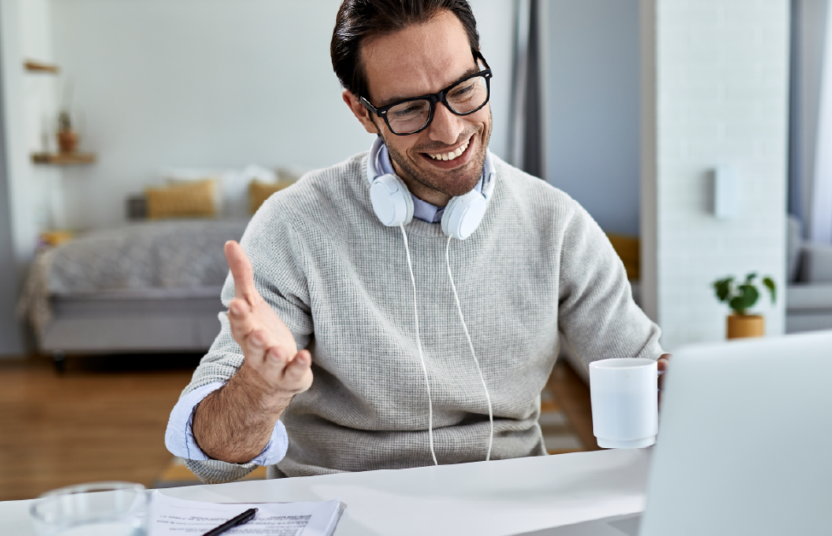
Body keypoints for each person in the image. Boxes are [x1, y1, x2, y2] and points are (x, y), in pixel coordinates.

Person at [165, 0, 666, 484]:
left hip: (510, 505)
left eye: (464, 89)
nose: (449, 130)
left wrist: (678, 392)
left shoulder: (556, 223)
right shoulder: (293, 226)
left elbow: (646, 374)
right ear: (363, 113)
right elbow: (211, 461)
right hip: (343, 507)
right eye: (409, 108)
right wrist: (260, 390)